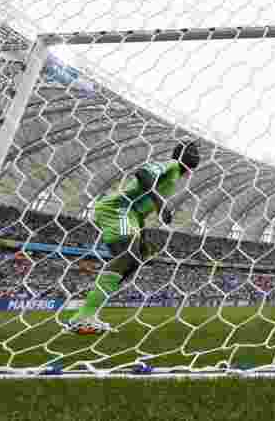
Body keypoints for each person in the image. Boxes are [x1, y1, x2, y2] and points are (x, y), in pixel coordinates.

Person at [64, 142, 200, 334]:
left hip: (131, 215)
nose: (196, 155)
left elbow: (140, 213)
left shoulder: (174, 177)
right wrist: (160, 204)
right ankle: (83, 316)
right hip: (118, 208)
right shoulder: (171, 165)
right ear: (180, 154)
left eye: (197, 152)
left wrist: (142, 237)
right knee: (127, 256)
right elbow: (143, 173)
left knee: (134, 259)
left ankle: (88, 316)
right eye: (192, 151)